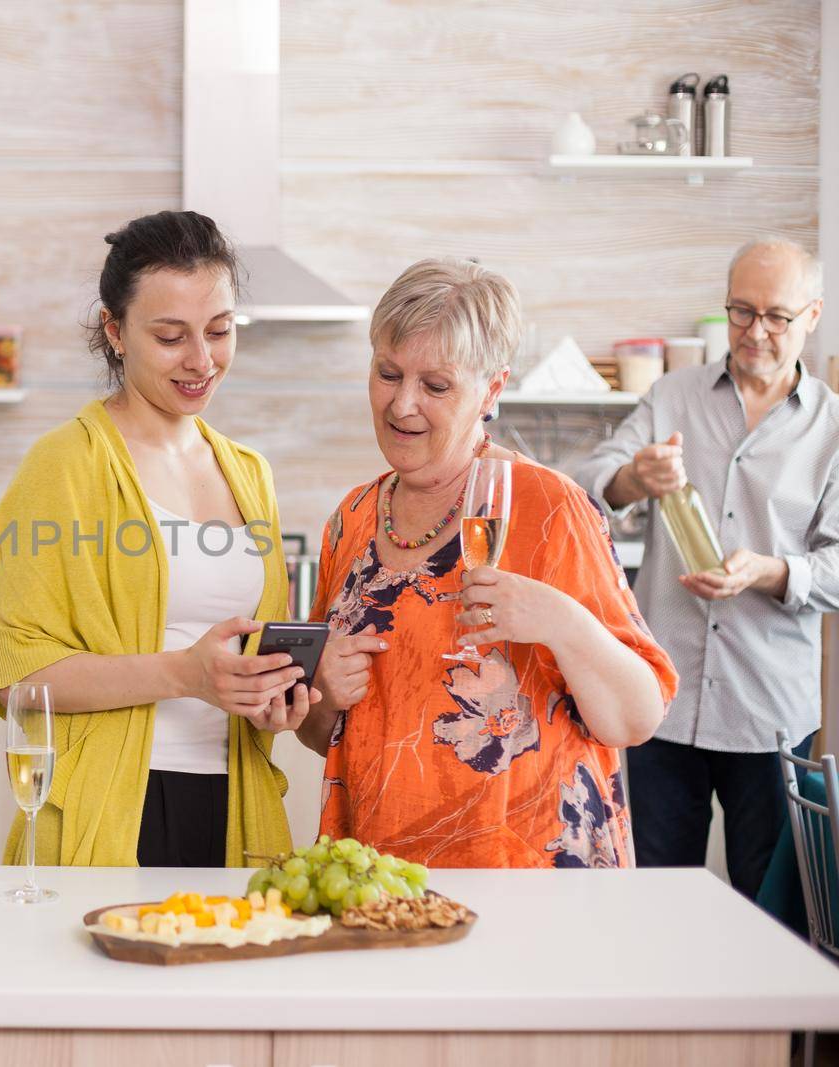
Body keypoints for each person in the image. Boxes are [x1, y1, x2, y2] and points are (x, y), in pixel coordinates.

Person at [298, 257, 678, 868]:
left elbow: (636, 717)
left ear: (491, 390)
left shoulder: (550, 507)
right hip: (383, 880)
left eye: (436, 386)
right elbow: (322, 736)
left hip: (528, 882)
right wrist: (324, 697)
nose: (402, 405)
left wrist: (561, 622)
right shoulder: (354, 518)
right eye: (387, 373)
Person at [0, 211, 317, 869]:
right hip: (111, 812)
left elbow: (246, 654)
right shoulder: (64, 466)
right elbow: (16, 681)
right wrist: (183, 674)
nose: (201, 360)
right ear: (115, 331)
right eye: (171, 336)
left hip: (237, 809)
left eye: (220, 331)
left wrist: (272, 699)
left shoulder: (250, 473)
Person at [570, 237, 835, 897]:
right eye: (740, 311)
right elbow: (589, 483)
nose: (755, 331)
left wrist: (771, 572)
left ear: (812, 315)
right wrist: (636, 474)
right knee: (658, 899)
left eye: (777, 315)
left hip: (768, 711)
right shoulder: (672, 395)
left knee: (770, 908)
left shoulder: (832, 430)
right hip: (662, 700)